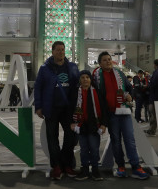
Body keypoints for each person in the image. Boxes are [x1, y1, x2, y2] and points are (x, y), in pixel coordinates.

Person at [93, 51, 150, 180]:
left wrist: (130, 96)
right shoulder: (96, 76)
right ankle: (120, 166)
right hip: (110, 114)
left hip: (124, 112)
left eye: (109, 59)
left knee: (130, 140)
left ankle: (136, 167)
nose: (108, 61)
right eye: (105, 60)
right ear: (100, 63)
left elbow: (130, 88)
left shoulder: (119, 73)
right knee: (116, 142)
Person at [34, 41, 79, 180]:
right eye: (58, 50)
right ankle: (57, 167)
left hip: (68, 109)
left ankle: (67, 164)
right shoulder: (45, 68)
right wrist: (39, 107)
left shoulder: (72, 67)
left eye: (63, 50)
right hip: (51, 108)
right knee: (52, 139)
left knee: (71, 137)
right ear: (52, 51)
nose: (61, 52)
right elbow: (38, 87)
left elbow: (77, 86)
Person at [70, 70, 108, 181]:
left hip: (94, 126)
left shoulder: (97, 92)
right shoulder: (75, 93)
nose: (85, 79)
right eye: (83, 77)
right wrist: (71, 123)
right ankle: (85, 170)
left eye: (87, 77)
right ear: (79, 80)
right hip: (81, 126)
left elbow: (104, 109)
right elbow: (70, 108)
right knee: (84, 149)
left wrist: (104, 124)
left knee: (95, 149)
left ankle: (95, 170)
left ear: (91, 79)